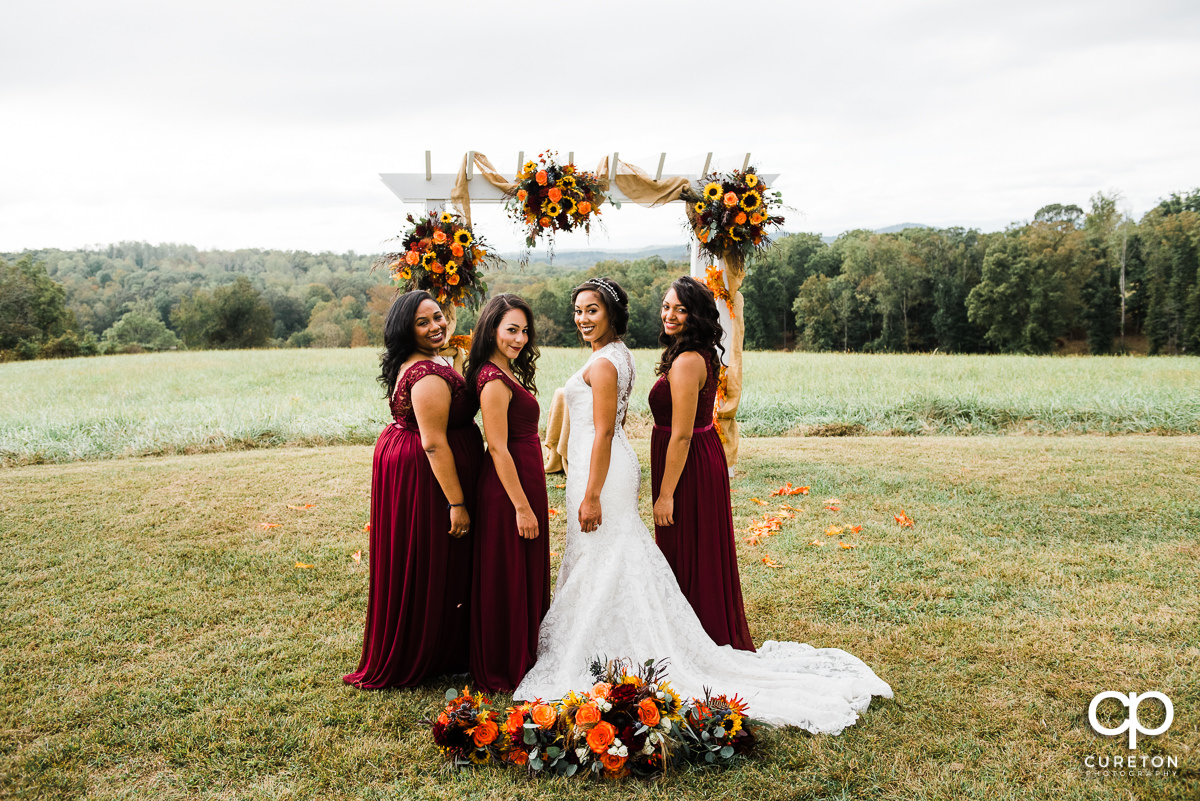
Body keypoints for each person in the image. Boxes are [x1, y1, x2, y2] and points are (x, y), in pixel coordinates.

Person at [513, 277, 892, 731]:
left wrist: (627, 492)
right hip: (623, 466)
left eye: (591, 310)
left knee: (621, 553)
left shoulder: (670, 360)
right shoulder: (639, 355)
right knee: (624, 553)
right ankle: (644, 628)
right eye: (666, 307)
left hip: (638, 467)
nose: (670, 315)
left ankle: (638, 637)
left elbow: (660, 432)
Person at [344, 291, 483, 689]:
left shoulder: (433, 360)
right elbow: (434, 442)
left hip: (413, 463)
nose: (436, 326)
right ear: (407, 331)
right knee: (432, 553)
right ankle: (427, 649)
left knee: (429, 554)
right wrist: (456, 502)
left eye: (438, 317)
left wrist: (455, 363)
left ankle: (443, 644)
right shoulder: (424, 376)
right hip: (427, 473)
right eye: (423, 323)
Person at [651, 276, 755, 651]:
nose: (670, 314)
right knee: (696, 549)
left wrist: (665, 494)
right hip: (700, 453)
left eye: (680, 308)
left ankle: (697, 639)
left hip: (688, 463)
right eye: (666, 306)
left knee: (688, 548)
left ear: (696, 315)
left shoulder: (686, 362)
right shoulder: (697, 353)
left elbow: (680, 434)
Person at [464, 294, 551, 692]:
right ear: (492, 330)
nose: (519, 338)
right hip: (508, 487)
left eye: (524, 330)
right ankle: (507, 659)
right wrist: (522, 507)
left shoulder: (508, 370)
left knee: (524, 567)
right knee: (509, 571)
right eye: (511, 330)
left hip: (525, 476)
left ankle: (526, 649)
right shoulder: (493, 380)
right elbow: (497, 447)